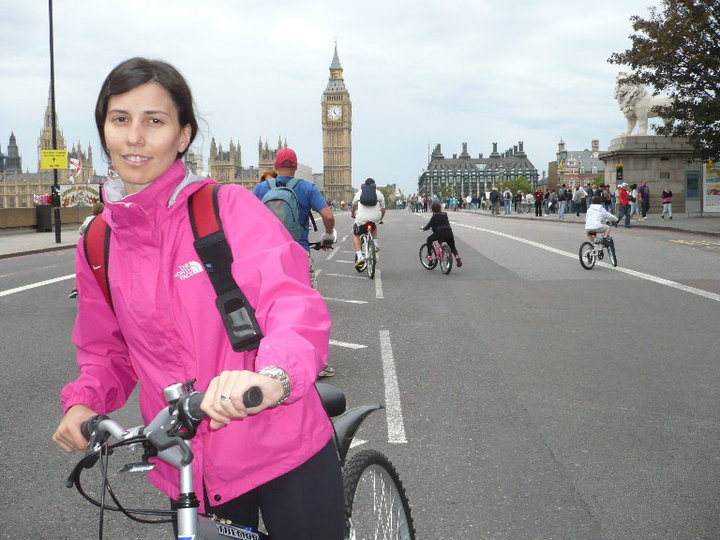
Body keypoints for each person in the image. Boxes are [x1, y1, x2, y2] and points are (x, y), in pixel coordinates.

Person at [52, 57, 344, 539]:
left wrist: (273, 377)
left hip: (278, 442)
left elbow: (292, 303)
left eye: (155, 121)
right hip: (188, 465)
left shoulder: (227, 208)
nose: (135, 137)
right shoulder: (97, 244)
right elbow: (106, 352)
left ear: (184, 135)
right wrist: (83, 403)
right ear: (104, 131)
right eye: (120, 119)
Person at [253, 147, 336, 378]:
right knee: (306, 309)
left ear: (276, 165)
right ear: (295, 166)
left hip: (268, 257)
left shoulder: (261, 188)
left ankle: (265, 360)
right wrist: (328, 234)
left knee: (267, 308)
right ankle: (316, 363)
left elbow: (245, 220)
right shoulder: (306, 187)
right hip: (297, 255)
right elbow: (328, 216)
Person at [68, 202, 105, 299]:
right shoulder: (104, 219)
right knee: (100, 269)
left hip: (85, 246)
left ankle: (75, 289)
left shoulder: (89, 219)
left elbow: (81, 230)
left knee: (83, 269)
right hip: (99, 248)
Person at [351, 177, 385, 268]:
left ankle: (359, 255)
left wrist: (353, 214)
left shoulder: (359, 193)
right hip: (374, 218)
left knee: (355, 234)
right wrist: (381, 218)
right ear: (374, 185)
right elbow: (383, 209)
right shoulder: (379, 193)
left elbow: (353, 206)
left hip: (362, 219)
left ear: (365, 184)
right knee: (373, 226)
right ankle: (375, 244)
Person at [421, 201, 462, 267]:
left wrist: (423, 228)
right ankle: (457, 256)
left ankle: (429, 257)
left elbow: (428, 226)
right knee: (452, 246)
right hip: (449, 232)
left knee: (429, 239)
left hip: (439, 234)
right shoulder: (445, 214)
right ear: (439, 207)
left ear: (432, 209)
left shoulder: (434, 217)